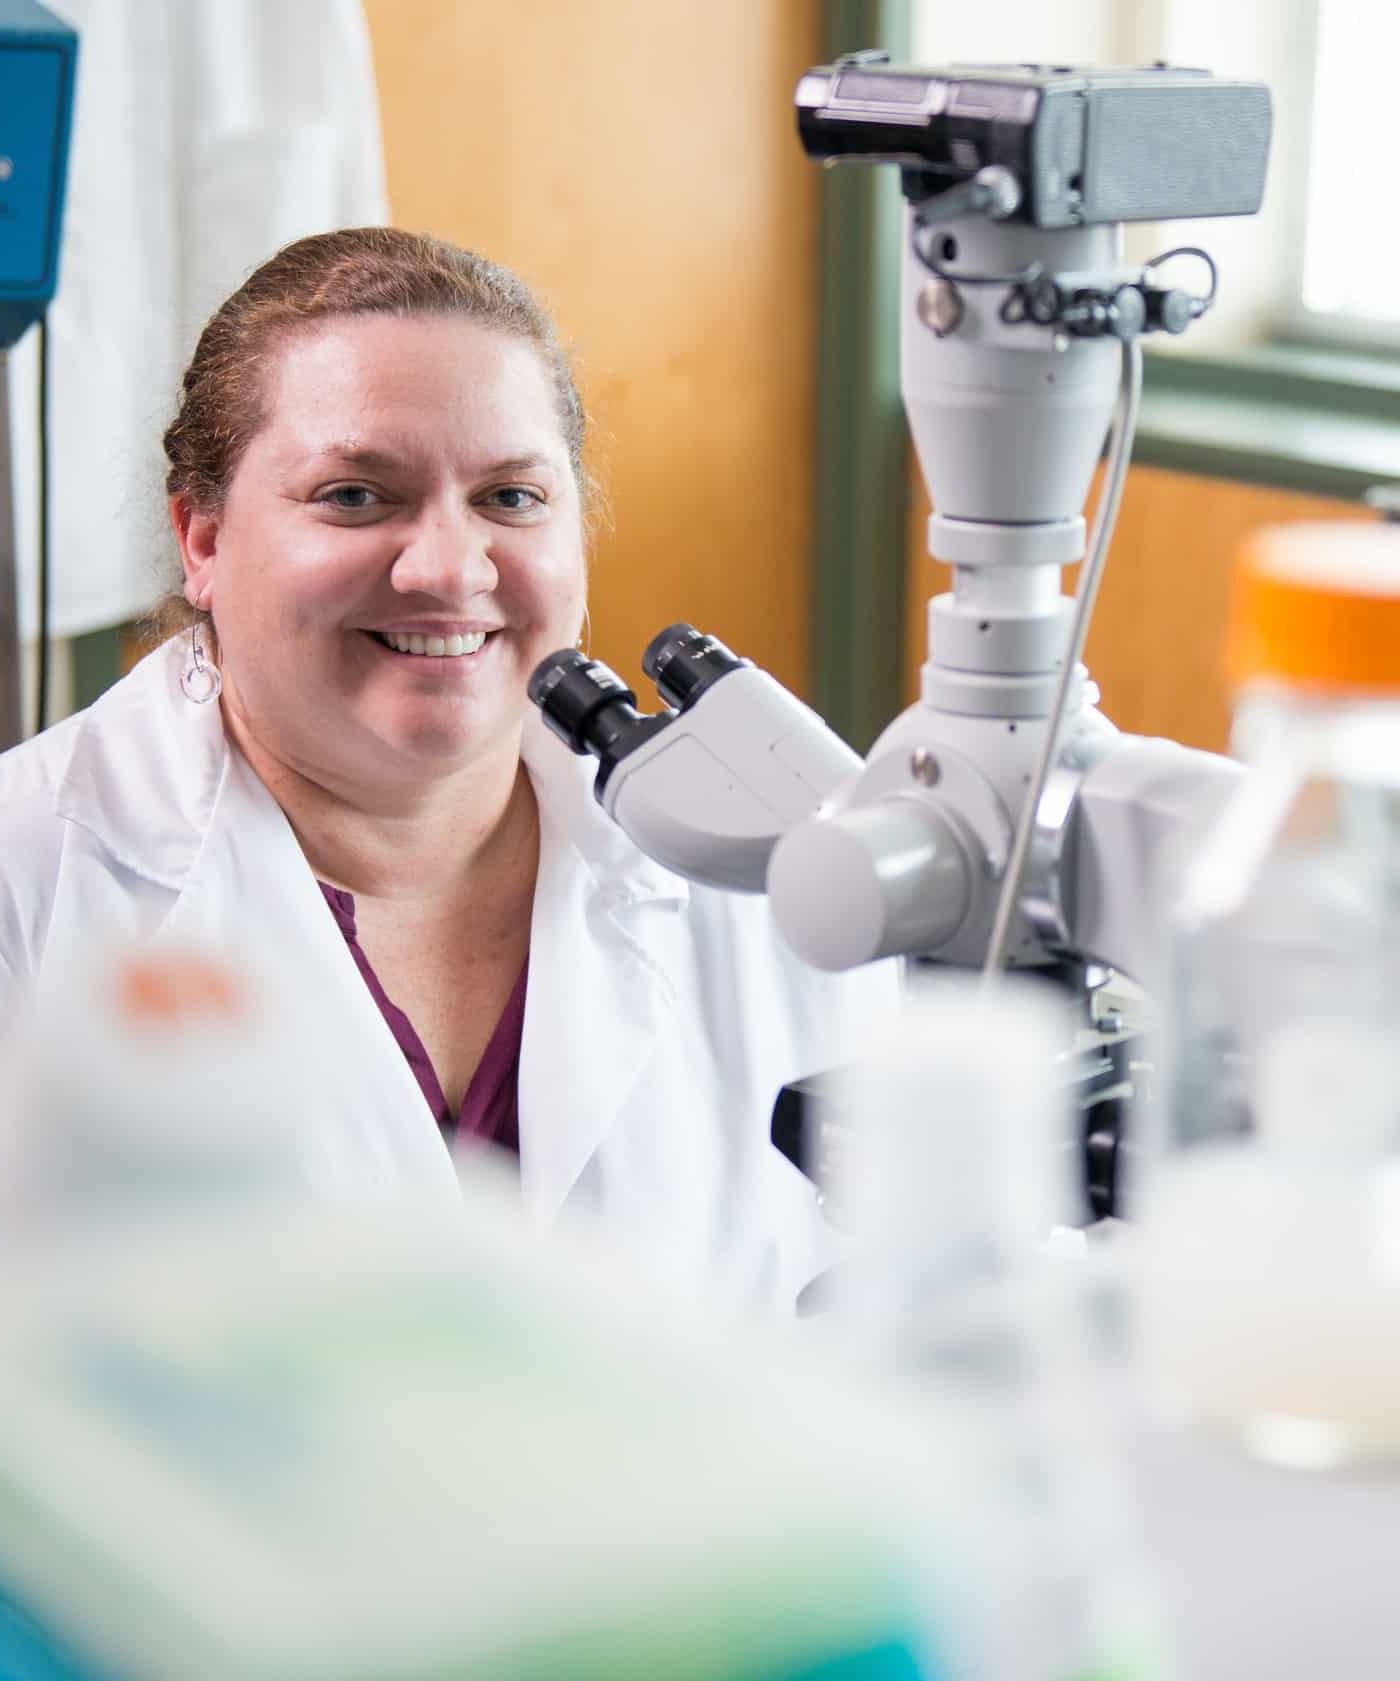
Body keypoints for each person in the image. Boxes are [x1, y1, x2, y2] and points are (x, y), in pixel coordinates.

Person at [0, 228, 896, 1308]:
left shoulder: (758, 862)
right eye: (353, 495)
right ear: (200, 539)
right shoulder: (34, 875)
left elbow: (893, 1300)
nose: (447, 567)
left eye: (510, 498)